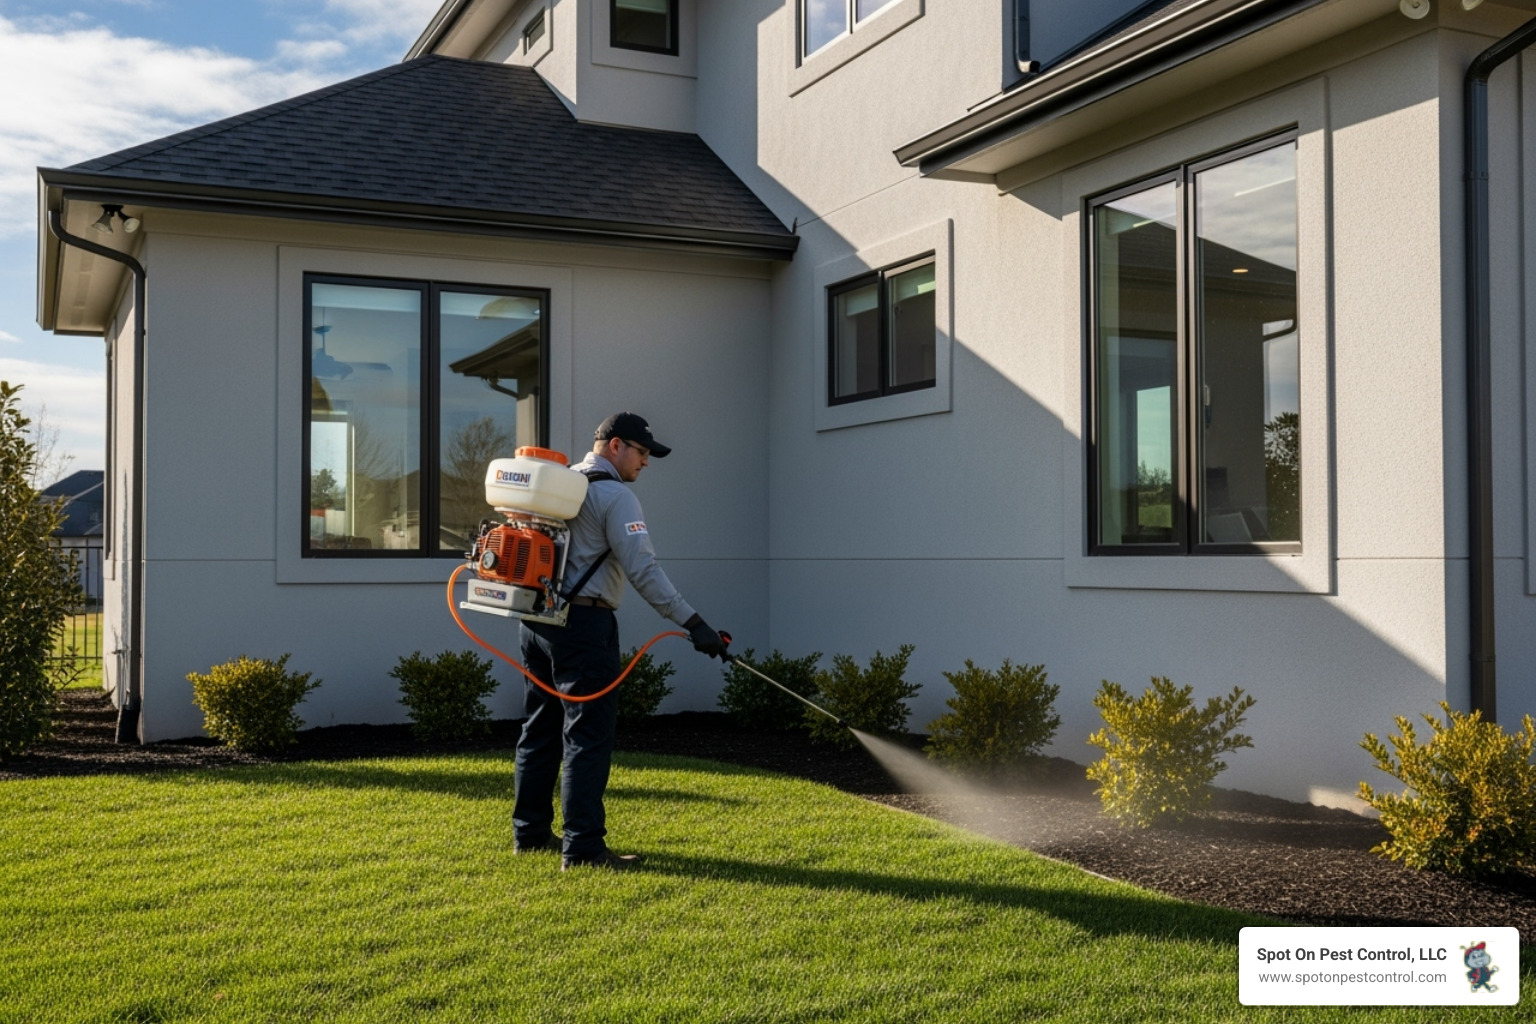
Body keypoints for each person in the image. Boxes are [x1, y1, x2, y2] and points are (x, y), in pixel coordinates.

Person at [514, 412, 728, 870]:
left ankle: (529, 834)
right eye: (642, 452)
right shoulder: (615, 496)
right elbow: (644, 570)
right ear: (615, 446)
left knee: (540, 728)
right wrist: (694, 624)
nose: (646, 463)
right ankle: (584, 848)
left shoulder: (560, 483)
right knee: (587, 737)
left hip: (536, 622)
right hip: (584, 628)